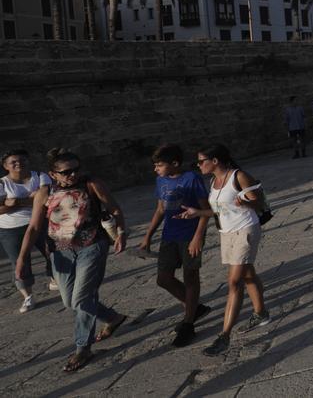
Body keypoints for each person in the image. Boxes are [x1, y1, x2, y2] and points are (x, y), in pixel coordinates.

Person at [16, 149, 128, 372]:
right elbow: (35, 227)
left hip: (92, 245)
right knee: (70, 301)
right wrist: (21, 259)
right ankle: (112, 318)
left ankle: (82, 347)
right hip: (60, 251)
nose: (72, 175)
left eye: (76, 169)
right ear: (53, 173)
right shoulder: (45, 193)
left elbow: (114, 207)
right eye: (66, 172)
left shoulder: (91, 184)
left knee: (82, 297)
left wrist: (121, 232)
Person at [178, 144, 270, 356]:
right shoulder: (214, 181)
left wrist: (247, 202)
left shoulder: (239, 176)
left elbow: (260, 202)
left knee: (234, 282)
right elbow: (219, 209)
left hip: (245, 231)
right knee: (247, 274)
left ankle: (224, 336)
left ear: (215, 160)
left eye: (201, 161)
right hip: (226, 233)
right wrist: (197, 212)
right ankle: (261, 313)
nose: (198, 165)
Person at [138, 145, 213, 347]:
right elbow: (161, 209)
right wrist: (148, 236)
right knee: (163, 279)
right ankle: (194, 308)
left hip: (190, 234)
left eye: (159, 165)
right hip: (169, 235)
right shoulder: (160, 180)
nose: (156, 169)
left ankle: (188, 323)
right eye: (155, 165)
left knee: (190, 276)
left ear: (175, 164)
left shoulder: (192, 179)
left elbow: (205, 210)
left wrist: (198, 237)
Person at [1, 149, 55, 314]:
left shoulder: (40, 176)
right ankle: (28, 296)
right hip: (10, 228)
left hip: (40, 221)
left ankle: (54, 278)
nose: (19, 163)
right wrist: (30, 199)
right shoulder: (2, 183)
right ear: (6, 166)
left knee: (52, 251)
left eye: (22, 160)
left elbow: (45, 198)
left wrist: (14, 203)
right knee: (19, 260)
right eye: (13, 162)